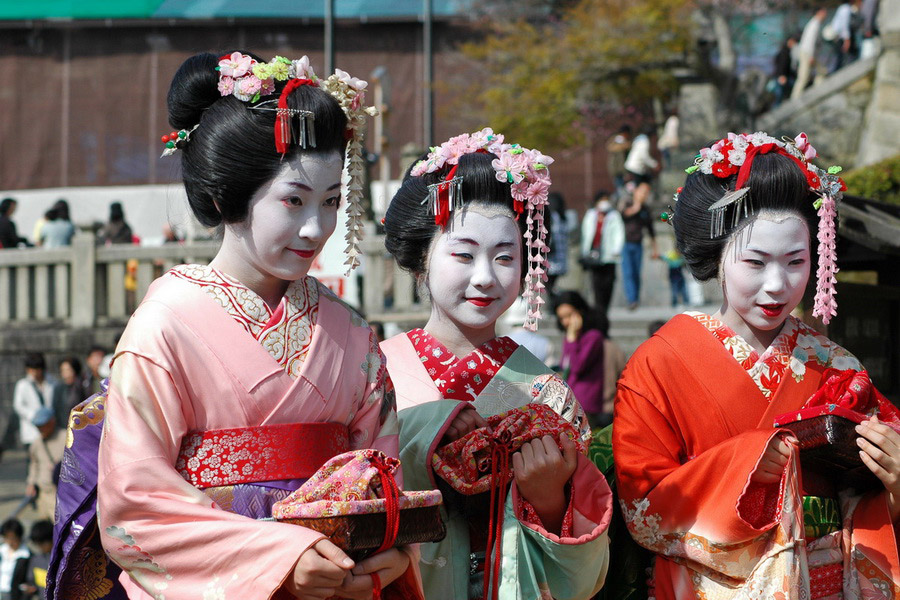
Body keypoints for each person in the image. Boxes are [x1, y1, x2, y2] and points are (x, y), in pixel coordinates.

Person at [51, 51, 415, 600]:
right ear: (227, 194)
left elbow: (383, 481)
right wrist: (284, 562)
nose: (316, 228)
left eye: (332, 202)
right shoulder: (164, 327)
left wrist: (384, 555)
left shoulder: (352, 335)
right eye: (293, 200)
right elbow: (135, 505)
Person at [613, 131, 900, 598]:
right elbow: (643, 511)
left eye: (795, 262)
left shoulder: (837, 366)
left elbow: (868, 504)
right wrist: (745, 467)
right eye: (755, 261)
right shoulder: (659, 363)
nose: (777, 286)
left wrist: (895, 486)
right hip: (706, 587)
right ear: (717, 256)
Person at [381, 128, 612, 600]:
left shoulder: (546, 391)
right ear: (422, 258)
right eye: (463, 254)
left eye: (506, 257)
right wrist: (425, 429)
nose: (485, 277)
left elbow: (585, 582)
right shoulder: (375, 371)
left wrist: (548, 499)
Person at [555, 291, 608, 428]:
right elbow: (564, 365)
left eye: (569, 315)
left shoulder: (593, 337)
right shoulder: (570, 337)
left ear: (580, 312)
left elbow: (578, 366)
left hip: (585, 403)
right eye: (562, 318)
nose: (566, 321)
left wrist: (572, 339)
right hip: (569, 400)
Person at [579, 190, 625, 317]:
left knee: (608, 284)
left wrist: (617, 250)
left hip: (609, 256)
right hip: (594, 255)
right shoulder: (591, 214)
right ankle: (599, 311)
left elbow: (619, 234)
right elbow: (586, 233)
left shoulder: (614, 215)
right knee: (596, 284)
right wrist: (584, 251)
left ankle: (604, 310)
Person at [618, 185, 659, 310]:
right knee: (628, 272)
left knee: (636, 272)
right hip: (625, 243)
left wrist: (655, 248)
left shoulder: (645, 210)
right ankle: (631, 300)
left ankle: (635, 299)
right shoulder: (627, 203)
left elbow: (651, 230)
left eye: (646, 193)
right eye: (642, 192)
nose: (643, 195)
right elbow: (622, 214)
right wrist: (635, 207)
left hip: (638, 244)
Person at [25, 408, 66, 522]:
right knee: (44, 530)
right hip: (42, 493)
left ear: (52, 422)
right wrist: (31, 483)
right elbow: (34, 463)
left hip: (58, 493)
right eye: (38, 426)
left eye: (43, 425)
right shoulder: (36, 443)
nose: (40, 429)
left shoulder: (65, 437)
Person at [12, 353, 56, 451]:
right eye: (31, 369)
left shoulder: (52, 382)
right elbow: (18, 406)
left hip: (50, 428)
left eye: (37, 369)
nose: (34, 373)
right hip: (31, 430)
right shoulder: (22, 384)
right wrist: (34, 416)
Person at [792, 8, 827, 100]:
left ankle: (817, 92)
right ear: (820, 12)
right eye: (824, 12)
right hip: (807, 53)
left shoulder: (815, 23)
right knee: (803, 77)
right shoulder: (815, 24)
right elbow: (810, 41)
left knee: (821, 72)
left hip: (808, 53)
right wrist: (811, 56)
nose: (825, 14)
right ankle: (795, 99)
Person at [545, 191, 570, 296]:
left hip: (551, 256)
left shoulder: (552, 216)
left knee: (549, 284)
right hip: (559, 256)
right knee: (552, 284)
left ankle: (551, 306)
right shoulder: (563, 217)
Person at [20, 520, 53, 600]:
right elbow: (32, 581)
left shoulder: (64, 560)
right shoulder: (36, 560)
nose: (39, 547)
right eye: (37, 544)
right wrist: (30, 588)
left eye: (41, 543)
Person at [828, 0, 862, 73]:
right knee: (841, 59)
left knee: (839, 58)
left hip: (839, 38)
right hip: (841, 38)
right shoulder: (845, 9)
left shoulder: (843, 8)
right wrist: (847, 40)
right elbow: (844, 26)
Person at [55, 356, 90, 425]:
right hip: (63, 426)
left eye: (68, 370)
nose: (65, 374)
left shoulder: (83, 386)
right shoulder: (59, 388)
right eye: (63, 370)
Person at [0, 520, 29, 600]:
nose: (10, 541)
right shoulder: (2, 550)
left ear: (19, 537)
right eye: (6, 538)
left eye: (13, 538)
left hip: (14, 595)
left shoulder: (26, 556)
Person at [772, 34, 797, 105]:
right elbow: (781, 65)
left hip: (782, 76)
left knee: (780, 96)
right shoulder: (785, 52)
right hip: (781, 77)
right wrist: (781, 75)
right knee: (779, 96)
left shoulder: (786, 51)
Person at [605, 125, 632, 193]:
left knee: (625, 187)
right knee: (620, 187)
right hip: (617, 168)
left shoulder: (626, 141)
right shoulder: (616, 139)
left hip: (623, 168)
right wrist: (623, 146)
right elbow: (610, 147)